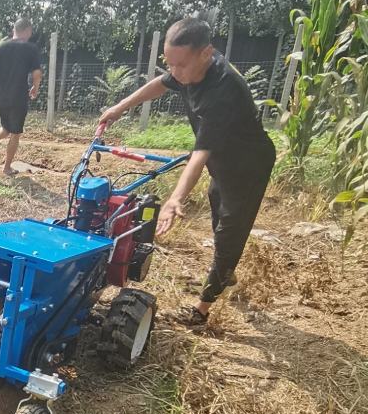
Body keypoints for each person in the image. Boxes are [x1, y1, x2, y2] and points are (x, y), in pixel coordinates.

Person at [98, 17, 276, 326]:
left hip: (246, 166)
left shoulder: (224, 89)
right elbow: (160, 83)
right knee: (218, 212)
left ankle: (201, 310)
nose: (175, 73)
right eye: (170, 63)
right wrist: (118, 109)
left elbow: (199, 153)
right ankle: (225, 272)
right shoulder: (188, 69)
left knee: (230, 228)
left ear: (206, 53)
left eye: (180, 65)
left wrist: (175, 198)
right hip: (221, 160)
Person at [0, 17, 42, 176]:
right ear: (27, 30)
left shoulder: (1, 47)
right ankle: (7, 167)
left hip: (2, 96)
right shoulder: (30, 48)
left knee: (6, 127)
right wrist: (35, 87)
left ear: (14, 30)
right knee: (15, 132)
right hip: (18, 96)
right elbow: (37, 73)